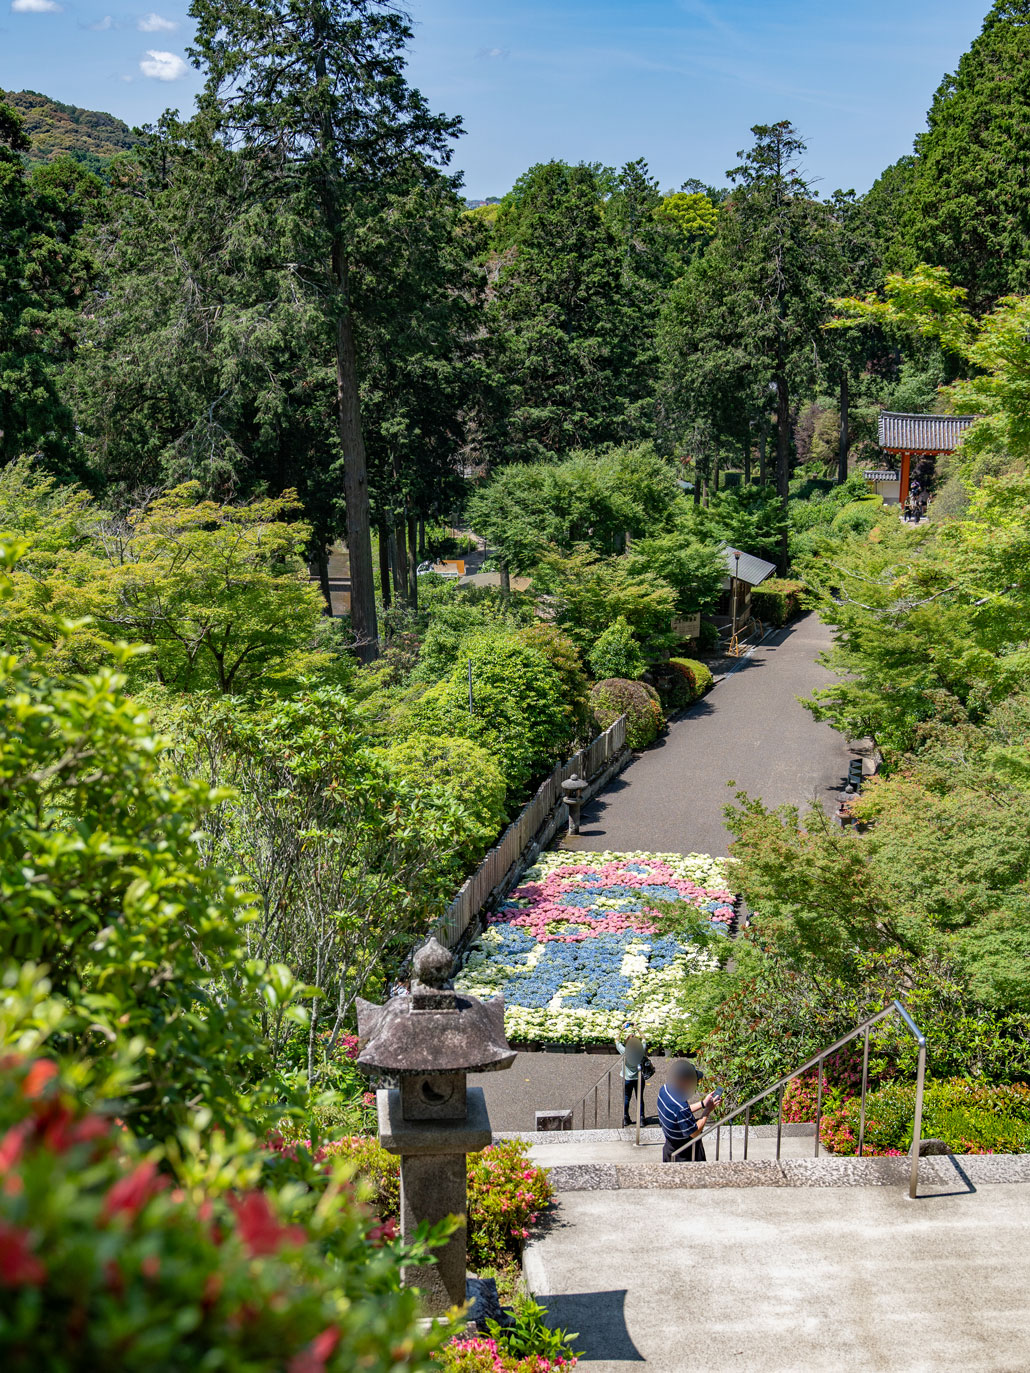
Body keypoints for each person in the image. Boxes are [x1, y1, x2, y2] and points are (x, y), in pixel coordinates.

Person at [657, 1059, 717, 1162]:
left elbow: (679, 1114)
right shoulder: (681, 1106)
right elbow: (694, 1133)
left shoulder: (665, 1089)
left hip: (669, 1147)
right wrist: (707, 1111)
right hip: (684, 1153)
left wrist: (703, 1104)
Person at [615, 1025, 647, 1127]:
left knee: (626, 1098)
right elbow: (644, 1039)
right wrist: (638, 1028)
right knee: (639, 1098)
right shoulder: (641, 1049)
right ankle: (641, 1118)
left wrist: (622, 1028)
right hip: (639, 1077)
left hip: (627, 1078)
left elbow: (616, 1040)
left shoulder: (624, 1051)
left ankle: (625, 1117)